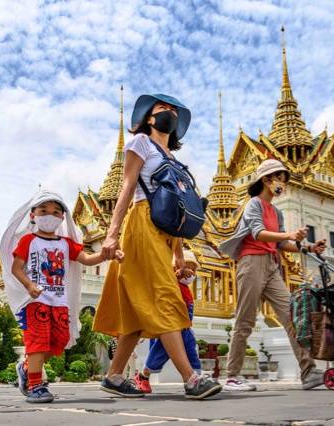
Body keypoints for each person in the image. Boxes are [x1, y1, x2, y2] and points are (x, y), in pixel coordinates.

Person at [93, 93, 222, 400]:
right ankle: (191, 378)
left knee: (140, 311)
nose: (169, 113)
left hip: (165, 233)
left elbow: (177, 211)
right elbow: (126, 187)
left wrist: (178, 253)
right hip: (140, 225)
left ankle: (113, 376)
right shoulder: (140, 144)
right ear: (148, 117)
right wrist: (112, 234)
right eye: (163, 108)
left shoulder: (174, 159)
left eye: (173, 111)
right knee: (165, 297)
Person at [0, 190, 123, 403]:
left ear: (62, 217)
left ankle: (27, 366)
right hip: (37, 301)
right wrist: (29, 285)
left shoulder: (66, 243)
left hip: (60, 301)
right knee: (38, 343)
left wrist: (104, 254)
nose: (49, 215)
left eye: (55, 211)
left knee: (59, 341)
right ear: (33, 215)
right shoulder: (29, 241)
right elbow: (16, 268)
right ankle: (36, 385)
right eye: (43, 210)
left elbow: (86, 258)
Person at [219, 159, 327, 391]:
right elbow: (258, 234)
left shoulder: (276, 212)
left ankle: (308, 372)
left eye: (284, 180)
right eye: (280, 179)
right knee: (245, 320)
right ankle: (232, 376)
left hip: (271, 265)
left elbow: (280, 244)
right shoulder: (253, 205)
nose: (283, 185)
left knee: (292, 317)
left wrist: (308, 248)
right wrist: (290, 234)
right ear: (266, 180)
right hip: (251, 263)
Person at [136, 250, 202, 393]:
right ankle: (143, 376)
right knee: (160, 351)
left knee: (191, 347)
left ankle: (197, 377)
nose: (191, 272)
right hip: (169, 325)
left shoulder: (185, 288)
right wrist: (174, 275)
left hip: (185, 325)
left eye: (194, 269)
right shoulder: (170, 282)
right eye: (187, 268)